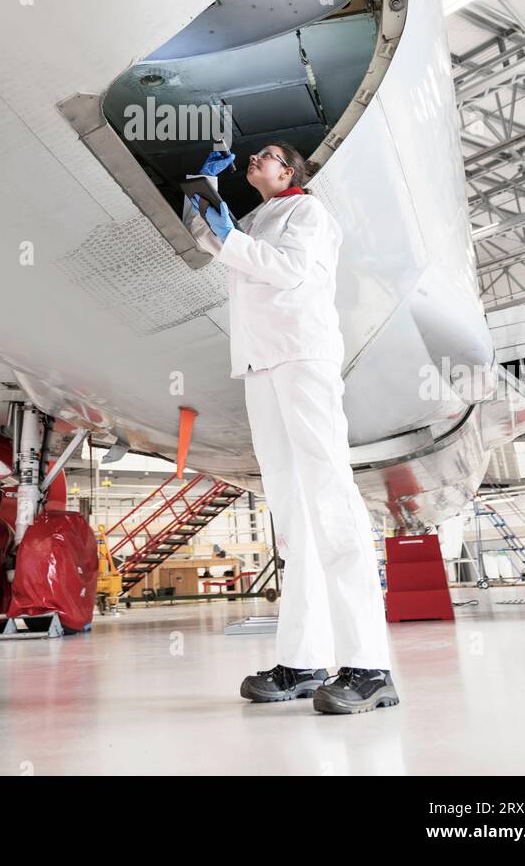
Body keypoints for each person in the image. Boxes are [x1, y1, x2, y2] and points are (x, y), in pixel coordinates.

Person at [185, 144, 399, 715]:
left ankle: (369, 665)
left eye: (271, 155)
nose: (256, 156)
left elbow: (289, 270)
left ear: (291, 172)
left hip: (303, 356)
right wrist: (202, 203)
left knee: (328, 493)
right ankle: (303, 659)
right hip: (260, 362)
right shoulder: (256, 219)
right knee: (289, 508)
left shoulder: (309, 213)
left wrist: (227, 233)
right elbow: (218, 247)